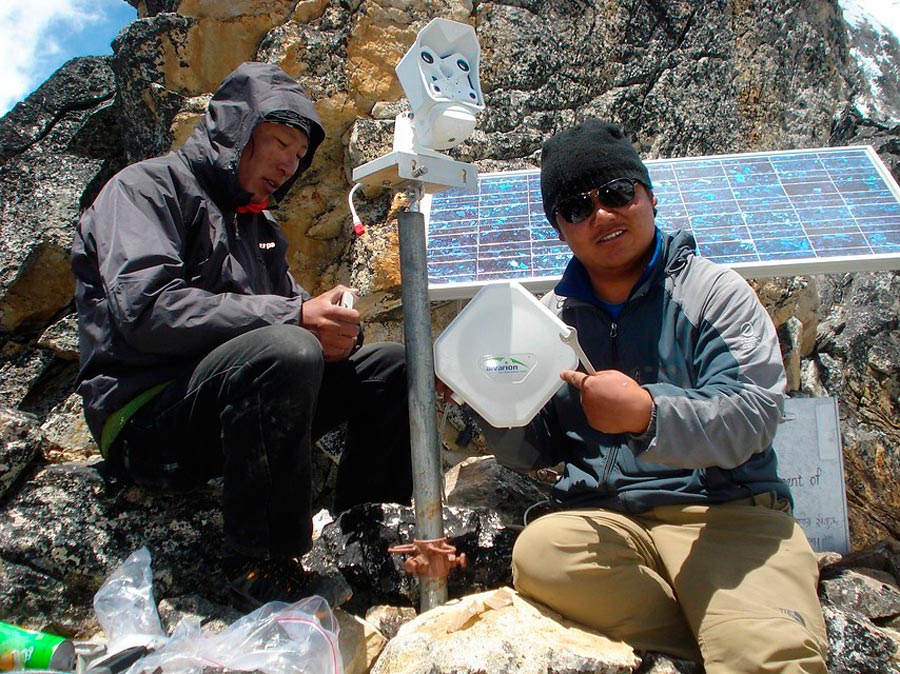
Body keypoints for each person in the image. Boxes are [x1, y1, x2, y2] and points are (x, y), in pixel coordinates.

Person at [464, 119, 828, 672]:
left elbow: (753, 415)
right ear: (559, 229)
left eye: (616, 193)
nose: (601, 215)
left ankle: (736, 628)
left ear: (649, 196)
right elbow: (535, 451)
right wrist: (488, 399)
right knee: (541, 553)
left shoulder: (714, 293)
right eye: (576, 208)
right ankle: (709, 632)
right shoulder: (547, 321)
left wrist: (647, 414)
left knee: (765, 661)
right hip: (607, 523)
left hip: (723, 515)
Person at [71, 61, 413, 611]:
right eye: (278, 142)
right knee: (288, 345)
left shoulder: (261, 228)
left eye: (299, 154)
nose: (288, 162)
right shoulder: (144, 189)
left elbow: (290, 315)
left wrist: (339, 328)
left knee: (395, 365)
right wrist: (297, 320)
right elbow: (146, 309)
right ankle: (261, 567)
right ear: (235, 132)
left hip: (227, 407)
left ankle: (365, 536)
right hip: (144, 420)